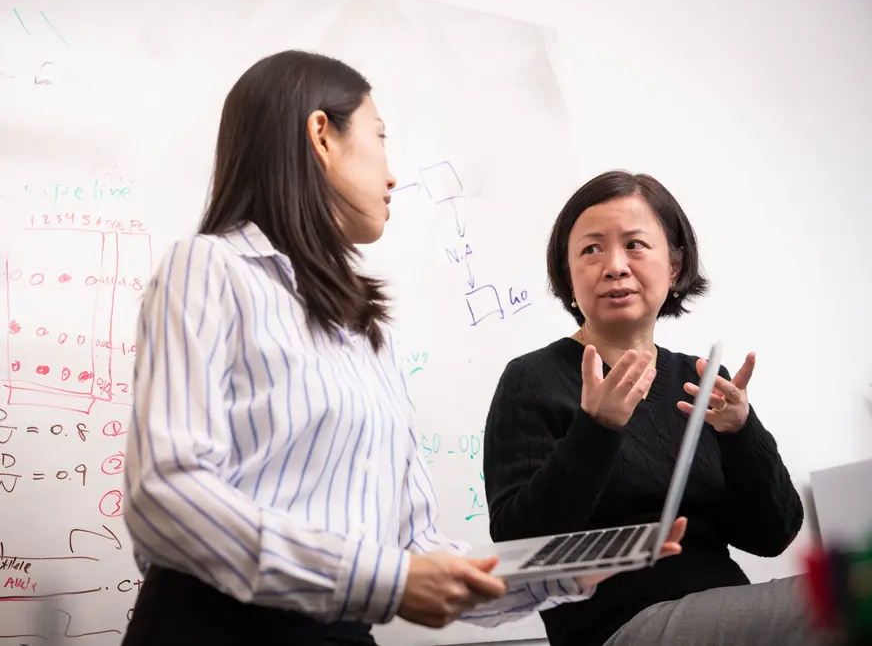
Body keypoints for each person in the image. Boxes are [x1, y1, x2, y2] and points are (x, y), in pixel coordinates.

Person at [119, 53, 687, 646]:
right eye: (380, 139)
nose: (392, 176)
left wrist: (557, 575)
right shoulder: (210, 268)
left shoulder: (368, 329)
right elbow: (167, 494)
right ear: (322, 137)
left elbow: (416, 547)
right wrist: (386, 580)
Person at [482, 170, 811, 646]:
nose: (615, 266)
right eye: (591, 249)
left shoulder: (699, 382)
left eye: (635, 244)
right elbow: (522, 548)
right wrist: (596, 429)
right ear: (568, 275)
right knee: (843, 597)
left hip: (721, 610)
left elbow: (772, 535)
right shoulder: (533, 380)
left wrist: (741, 433)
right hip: (618, 626)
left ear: (674, 267)